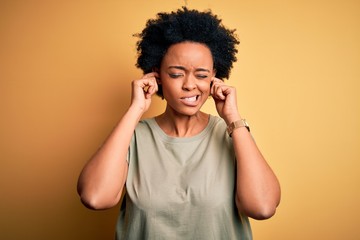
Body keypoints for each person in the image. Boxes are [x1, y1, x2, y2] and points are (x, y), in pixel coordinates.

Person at [77, 7, 281, 240]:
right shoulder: (133, 137)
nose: (189, 85)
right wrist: (136, 109)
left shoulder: (231, 134)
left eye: (202, 75)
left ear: (215, 76)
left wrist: (233, 117)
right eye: (176, 74)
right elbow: (94, 197)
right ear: (157, 76)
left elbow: (263, 207)